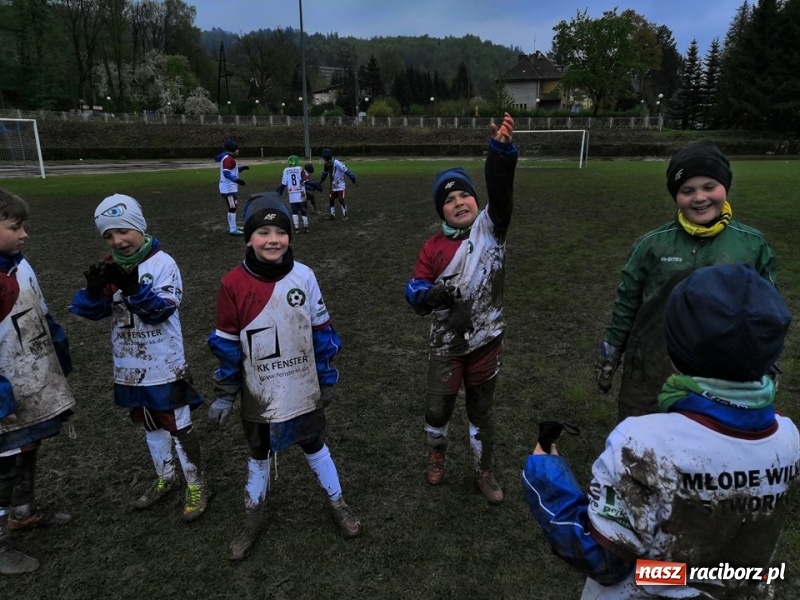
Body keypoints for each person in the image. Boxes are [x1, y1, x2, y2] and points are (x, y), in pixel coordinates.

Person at [523, 263, 799, 600]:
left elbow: (603, 560)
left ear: (676, 348)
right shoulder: (787, 437)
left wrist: (546, 475)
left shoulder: (641, 444)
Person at [207, 191, 361, 562]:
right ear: (248, 239)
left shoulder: (304, 276)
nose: (272, 239)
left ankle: (337, 503)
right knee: (258, 454)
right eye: (262, 232)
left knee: (314, 444)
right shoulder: (232, 283)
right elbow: (227, 343)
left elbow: (322, 333)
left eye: (280, 231)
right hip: (259, 393)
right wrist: (228, 390)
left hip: (301, 386)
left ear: (289, 236)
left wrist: (325, 380)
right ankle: (252, 520)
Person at [595, 141, 777, 421]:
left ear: (725, 187)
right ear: (675, 195)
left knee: (708, 444)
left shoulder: (752, 245)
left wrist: (768, 362)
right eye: (687, 190)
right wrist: (612, 351)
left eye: (709, 187)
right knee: (642, 443)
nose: (699, 198)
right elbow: (628, 301)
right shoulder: (651, 245)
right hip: (651, 368)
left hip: (724, 374)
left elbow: (766, 312)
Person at [69, 194, 209, 522]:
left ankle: (196, 483)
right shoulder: (110, 266)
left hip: (164, 363)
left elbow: (160, 311)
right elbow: (92, 312)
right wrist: (92, 293)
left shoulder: (163, 263)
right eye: (108, 235)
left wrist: (131, 288)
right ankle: (166, 475)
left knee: (178, 425)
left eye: (123, 230)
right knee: (149, 424)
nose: (117, 240)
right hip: (129, 365)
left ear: (139, 226)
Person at [403, 113, 517, 505]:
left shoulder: (492, 228)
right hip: (446, 343)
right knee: (437, 410)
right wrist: (424, 295)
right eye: (448, 200)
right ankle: (437, 452)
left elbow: (502, 193)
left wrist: (500, 152)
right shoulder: (433, 247)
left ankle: (483, 471)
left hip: (487, 339)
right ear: (441, 211)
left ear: (476, 199)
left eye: (464, 195)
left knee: (481, 411)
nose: (458, 202)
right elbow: (414, 285)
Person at [0, 189, 76, 575]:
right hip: (3, 393)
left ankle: (23, 512)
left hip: (28, 376)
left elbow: (40, 312)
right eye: (15, 227)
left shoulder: (19, 264)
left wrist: (58, 352)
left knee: (26, 447)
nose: (24, 233)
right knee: (2, 465)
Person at [215, 139, 250, 236]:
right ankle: (233, 229)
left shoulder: (230, 158)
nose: (238, 150)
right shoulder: (228, 159)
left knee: (233, 207)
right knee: (232, 207)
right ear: (233, 149)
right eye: (237, 149)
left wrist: (241, 169)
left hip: (230, 188)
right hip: (228, 188)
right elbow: (226, 173)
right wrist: (236, 180)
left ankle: (233, 226)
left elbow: (232, 170)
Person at [319, 148, 356, 221]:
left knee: (340, 199)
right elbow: (324, 173)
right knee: (331, 199)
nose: (326, 161)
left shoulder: (337, 163)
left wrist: (352, 178)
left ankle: (345, 215)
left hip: (340, 184)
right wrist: (320, 182)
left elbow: (346, 171)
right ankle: (332, 215)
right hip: (333, 185)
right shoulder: (326, 164)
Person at [277, 155, 310, 233]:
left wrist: (279, 193)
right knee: (303, 210)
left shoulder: (286, 170)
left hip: (292, 193)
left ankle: (297, 228)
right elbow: (307, 179)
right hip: (301, 193)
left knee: (294, 211)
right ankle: (306, 227)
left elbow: (283, 184)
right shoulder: (300, 169)